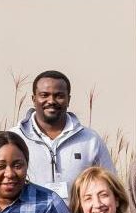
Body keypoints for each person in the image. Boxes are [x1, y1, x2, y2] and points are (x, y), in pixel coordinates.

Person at [16, 70, 117, 199]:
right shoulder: (14, 138)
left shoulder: (90, 140)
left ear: (68, 100)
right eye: (44, 95)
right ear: (34, 99)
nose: (51, 101)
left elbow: (111, 185)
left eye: (59, 96)